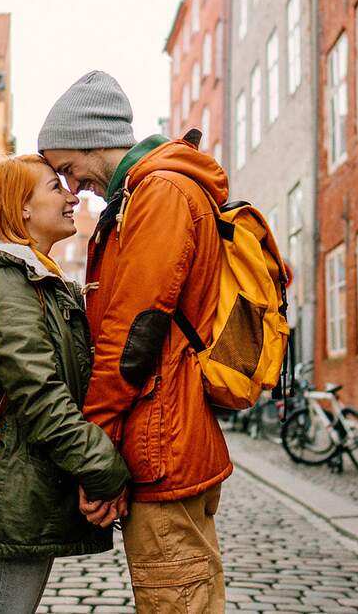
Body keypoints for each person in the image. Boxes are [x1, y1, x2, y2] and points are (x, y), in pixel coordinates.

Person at [39, 70, 232, 613]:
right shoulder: (140, 196)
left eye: (67, 168)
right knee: (189, 594)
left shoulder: (160, 194)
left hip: (162, 439)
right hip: (160, 432)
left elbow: (132, 335)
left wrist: (94, 451)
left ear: (92, 139)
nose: (72, 187)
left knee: (178, 600)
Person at [0, 154, 131, 614]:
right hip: (11, 499)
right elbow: (40, 395)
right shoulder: (7, 282)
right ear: (21, 208)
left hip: (27, 493)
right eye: (54, 188)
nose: (72, 196)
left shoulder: (35, 281)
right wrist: (105, 470)